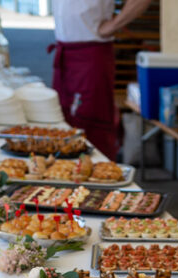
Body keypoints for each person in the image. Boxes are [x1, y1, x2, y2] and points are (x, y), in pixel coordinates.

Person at [52, 0, 151, 160]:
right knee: (62, 120)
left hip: (92, 51)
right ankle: (64, 176)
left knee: (91, 124)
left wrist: (114, 25)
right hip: (64, 50)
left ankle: (100, 177)